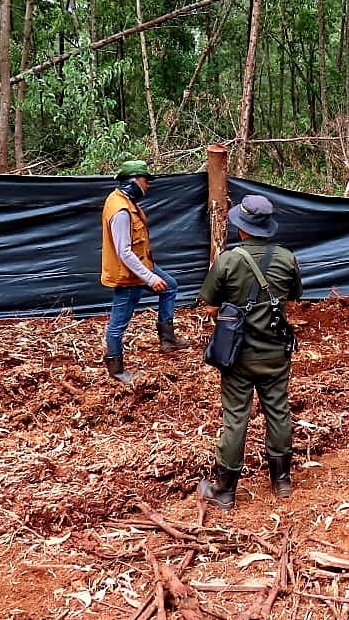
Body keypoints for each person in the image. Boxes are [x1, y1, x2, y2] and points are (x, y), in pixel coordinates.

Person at [197, 194, 303, 510]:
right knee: (279, 411)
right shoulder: (286, 258)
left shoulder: (228, 260)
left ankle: (225, 491)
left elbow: (212, 306)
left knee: (235, 418)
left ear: (241, 229)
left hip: (238, 356)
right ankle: (282, 481)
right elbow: (293, 297)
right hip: (275, 354)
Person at [100, 160, 190, 385]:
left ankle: (167, 339)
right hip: (129, 274)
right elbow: (124, 252)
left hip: (142, 266)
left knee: (170, 286)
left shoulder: (125, 201)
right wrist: (149, 277)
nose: (147, 185)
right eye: (144, 180)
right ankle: (117, 370)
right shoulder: (120, 210)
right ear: (133, 181)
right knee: (118, 324)